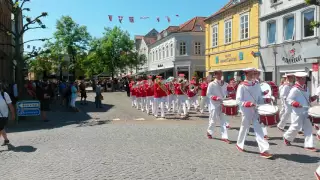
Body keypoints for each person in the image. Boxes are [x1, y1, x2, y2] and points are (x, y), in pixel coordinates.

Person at [235, 68, 272, 159]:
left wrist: (265, 99)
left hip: (256, 109)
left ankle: (264, 150)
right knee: (244, 128)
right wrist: (248, 104)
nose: (253, 75)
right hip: (246, 110)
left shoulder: (256, 84)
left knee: (258, 128)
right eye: (251, 73)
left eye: (254, 73)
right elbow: (238, 101)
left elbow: (259, 97)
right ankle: (239, 144)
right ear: (246, 74)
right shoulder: (242, 86)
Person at [283, 72, 318, 151]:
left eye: (304, 78)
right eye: (302, 78)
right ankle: (287, 137)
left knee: (308, 127)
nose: (304, 80)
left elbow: (308, 99)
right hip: (297, 111)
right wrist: (295, 103)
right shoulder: (294, 89)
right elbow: (288, 99)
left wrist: (313, 98)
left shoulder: (306, 88)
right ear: (298, 79)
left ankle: (309, 145)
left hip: (307, 110)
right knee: (295, 127)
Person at [206, 70, 230, 143]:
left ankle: (224, 136)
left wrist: (228, 95)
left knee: (223, 120)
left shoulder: (225, 84)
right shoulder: (211, 84)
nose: (220, 75)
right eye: (218, 74)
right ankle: (209, 132)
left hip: (223, 103)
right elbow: (208, 94)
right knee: (213, 120)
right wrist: (216, 98)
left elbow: (226, 93)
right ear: (215, 75)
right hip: (214, 104)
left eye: (221, 74)